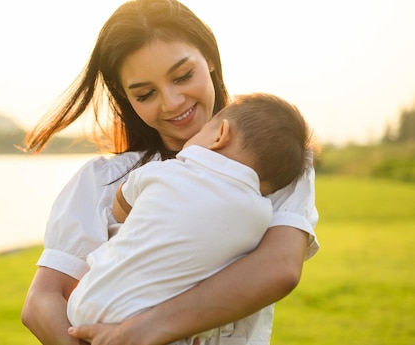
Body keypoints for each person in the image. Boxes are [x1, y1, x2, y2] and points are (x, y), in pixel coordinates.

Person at [20, 0, 319, 345]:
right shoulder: (103, 180)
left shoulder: (269, 167)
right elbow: (42, 300)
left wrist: (143, 331)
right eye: (145, 94)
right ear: (126, 96)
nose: (173, 103)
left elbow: (278, 269)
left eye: (182, 76)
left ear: (208, 56)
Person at [66, 93, 314, 345]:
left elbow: (121, 206)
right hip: (160, 325)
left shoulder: (164, 171)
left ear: (219, 135)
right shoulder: (261, 216)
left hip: (87, 303)